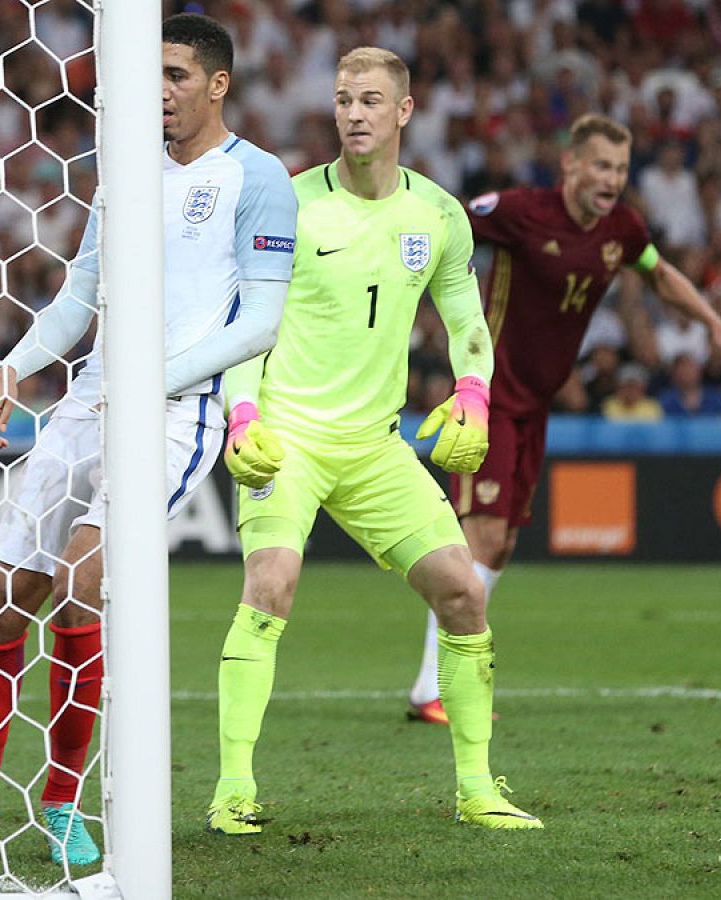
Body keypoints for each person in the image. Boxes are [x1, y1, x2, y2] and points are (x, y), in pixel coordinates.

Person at [0, 13, 296, 865]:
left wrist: (151, 379)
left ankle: (64, 804)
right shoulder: (120, 172)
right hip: (93, 396)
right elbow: (78, 297)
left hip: (178, 408)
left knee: (82, 580)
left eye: (174, 75)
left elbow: (261, 323)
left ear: (216, 84)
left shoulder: (258, 178)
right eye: (150, 76)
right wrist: (14, 366)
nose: (158, 92)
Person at [211, 47, 542, 835]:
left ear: (403, 112)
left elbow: (468, 325)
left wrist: (472, 394)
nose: (353, 113)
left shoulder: (437, 215)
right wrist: (243, 414)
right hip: (285, 435)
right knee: (273, 582)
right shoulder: (287, 206)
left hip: (372, 444)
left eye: (369, 100)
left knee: (463, 593)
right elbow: (243, 330)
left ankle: (476, 787)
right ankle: (231, 789)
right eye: (341, 99)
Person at [403, 114, 721, 723]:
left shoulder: (621, 227)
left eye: (619, 168)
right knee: (482, 535)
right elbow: (444, 223)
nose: (611, 178)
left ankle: (437, 682)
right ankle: (438, 688)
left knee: (502, 543)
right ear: (571, 165)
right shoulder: (518, 210)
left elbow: (659, 274)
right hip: (490, 396)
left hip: (537, 404)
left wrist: (715, 324)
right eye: (600, 165)